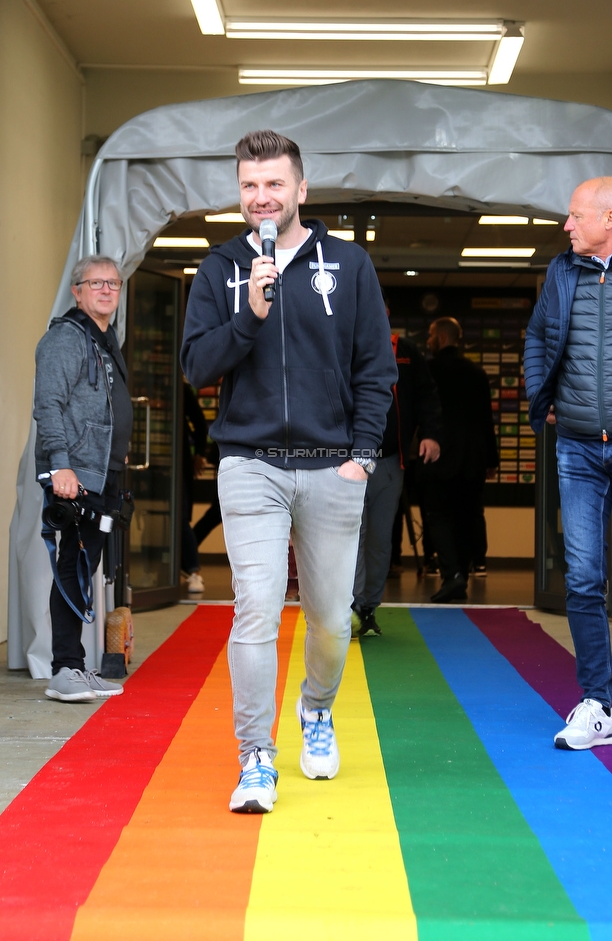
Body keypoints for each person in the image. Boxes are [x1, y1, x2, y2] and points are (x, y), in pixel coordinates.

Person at [181, 129, 396, 813]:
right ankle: (256, 758)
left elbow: (376, 370)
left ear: (302, 190)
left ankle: (316, 709)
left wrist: (361, 458)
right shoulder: (219, 270)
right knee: (256, 609)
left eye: (275, 184)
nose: (261, 197)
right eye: (249, 185)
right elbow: (195, 365)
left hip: (332, 467)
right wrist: (249, 315)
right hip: (250, 465)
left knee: (331, 621)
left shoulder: (350, 266)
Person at [525, 175, 612, 751]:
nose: (567, 226)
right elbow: (537, 337)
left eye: (575, 216)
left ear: (609, 222)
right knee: (583, 575)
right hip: (575, 445)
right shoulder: (561, 271)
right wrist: (540, 399)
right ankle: (597, 704)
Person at [34, 256, 133, 702]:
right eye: (97, 283)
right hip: (74, 475)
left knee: (83, 567)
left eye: (113, 283)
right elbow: (48, 405)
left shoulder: (105, 340)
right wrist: (61, 465)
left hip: (101, 474)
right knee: (71, 570)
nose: (107, 290)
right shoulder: (65, 339)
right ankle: (65, 669)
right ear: (77, 291)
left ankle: (75, 666)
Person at [351, 321, 441, 636]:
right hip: (348, 461)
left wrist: (429, 434)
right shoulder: (341, 341)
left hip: (390, 461)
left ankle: (367, 607)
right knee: (352, 536)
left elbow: (426, 395)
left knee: (379, 539)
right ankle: (348, 607)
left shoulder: (405, 352)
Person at [421, 317, 498, 603]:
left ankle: (451, 575)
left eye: (430, 334)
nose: (428, 340)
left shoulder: (429, 370)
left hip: (438, 458)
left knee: (438, 517)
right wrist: (491, 460)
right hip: (472, 460)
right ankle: (462, 575)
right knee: (467, 517)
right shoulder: (477, 373)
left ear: (441, 337)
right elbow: (486, 421)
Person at [181, 382, 208, 594]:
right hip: (152, 462)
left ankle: (192, 570)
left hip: (179, 462)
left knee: (180, 517)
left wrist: (199, 453)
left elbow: (200, 423)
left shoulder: (180, 389)